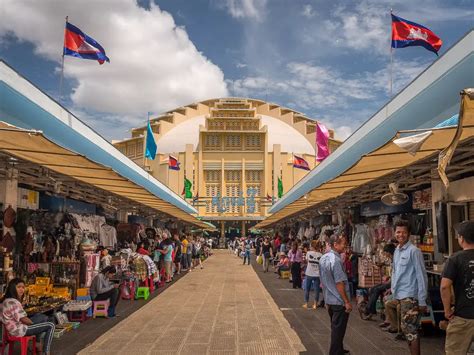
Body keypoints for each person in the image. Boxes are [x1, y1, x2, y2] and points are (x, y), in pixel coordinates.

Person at [385, 220, 427, 355]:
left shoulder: (414, 251)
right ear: (394, 233)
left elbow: (421, 277)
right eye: (398, 232)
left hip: (411, 296)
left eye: (404, 232)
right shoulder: (397, 250)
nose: (400, 234)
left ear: (409, 234)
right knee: (406, 328)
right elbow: (396, 273)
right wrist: (393, 291)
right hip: (400, 295)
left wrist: (422, 300)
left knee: (410, 329)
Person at [440, 220, 474, 355]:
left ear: (461, 238)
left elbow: (444, 287)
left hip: (463, 318)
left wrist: (447, 310)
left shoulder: (455, 259)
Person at [1, 278, 55, 355]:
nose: (22, 290)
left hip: (14, 328)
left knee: (42, 317)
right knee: (51, 325)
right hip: (19, 330)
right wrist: (35, 325)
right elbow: (24, 320)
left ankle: (37, 343)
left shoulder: (7, 300)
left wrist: (37, 325)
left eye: (23, 287)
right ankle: (46, 352)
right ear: (12, 288)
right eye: (19, 287)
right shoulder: (13, 302)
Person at [319, 234, 352, 355]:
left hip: (330, 300)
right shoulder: (337, 261)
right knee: (338, 330)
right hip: (339, 301)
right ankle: (335, 352)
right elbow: (339, 283)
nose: (345, 245)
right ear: (335, 245)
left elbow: (323, 281)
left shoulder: (323, 258)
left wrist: (326, 300)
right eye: (343, 243)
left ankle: (339, 348)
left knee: (335, 328)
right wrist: (347, 302)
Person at [363, 243, 396, 320]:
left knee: (377, 289)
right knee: (373, 288)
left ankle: (369, 309)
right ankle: (371, 309)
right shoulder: (391, 260)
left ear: (388, 252)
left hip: (393, 282)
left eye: (385, 252)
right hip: (390, 281)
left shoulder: (395, 260)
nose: (384, 254)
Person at [303, 240, 323, 309]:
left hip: (309, 273)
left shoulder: (308, 253)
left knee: (307, 289)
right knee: (316, 290)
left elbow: (307, 261)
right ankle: (315, 304)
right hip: (317, 274)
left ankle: (306, 303)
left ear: (312, 246)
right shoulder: (321, 255)